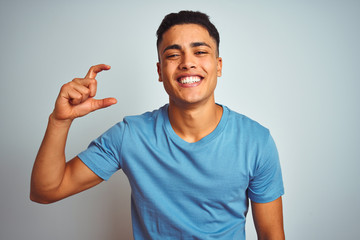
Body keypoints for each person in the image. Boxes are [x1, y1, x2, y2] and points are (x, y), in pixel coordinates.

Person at [30, 10, 285, 239]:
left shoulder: (256, 141)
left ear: (218, 66)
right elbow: (45, 191)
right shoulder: (130, 135)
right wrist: (59, 121)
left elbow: (272, 234)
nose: (187, 62)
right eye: (173, 55)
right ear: (160, 71)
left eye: (200, 52)